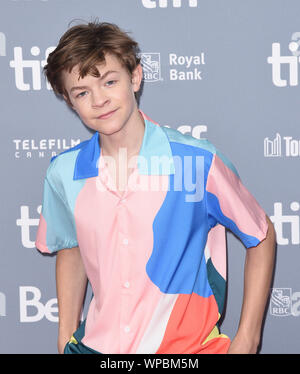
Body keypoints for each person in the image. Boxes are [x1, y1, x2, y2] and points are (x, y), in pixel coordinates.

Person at [35, 20, 276, 354]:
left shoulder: (196, 162)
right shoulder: (64, 172)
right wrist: (64, 338)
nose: (100, 100)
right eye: (82, 92)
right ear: (68, 98)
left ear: (135, 76)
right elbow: (71, 248)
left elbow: (261, 234)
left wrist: (248, 339)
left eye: (109, 81)